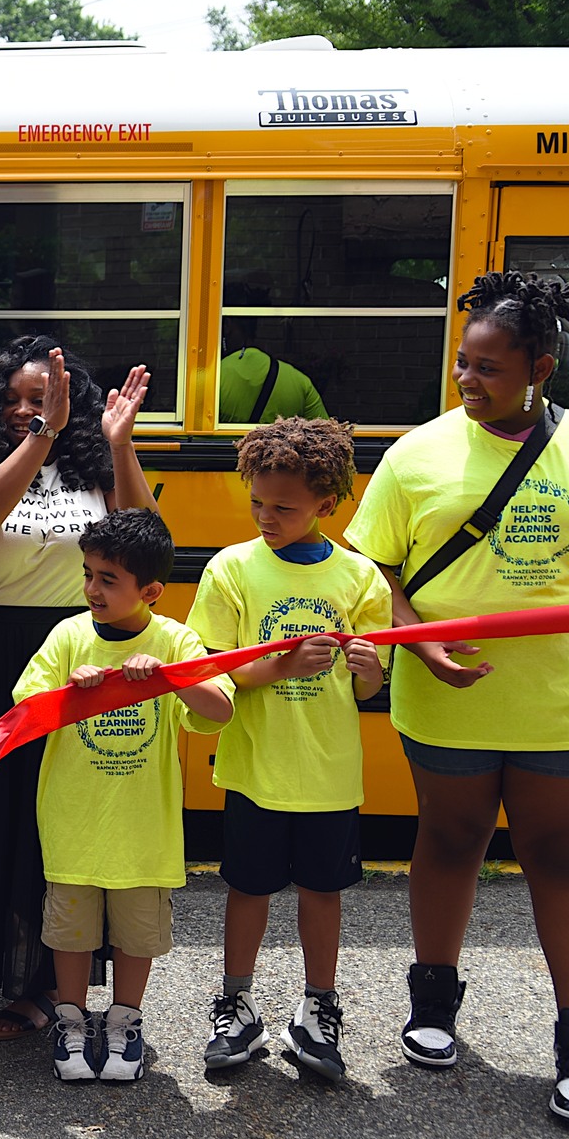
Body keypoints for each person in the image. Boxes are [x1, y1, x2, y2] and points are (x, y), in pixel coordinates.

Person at [347, 272, 569, 1129]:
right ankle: (432, 1004)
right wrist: (416, 636)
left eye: (489, 367)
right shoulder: (417, 455)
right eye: (463, 362)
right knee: (449, 839)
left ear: (541, 369)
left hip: (560, 703)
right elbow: (373, 569)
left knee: (563, 857)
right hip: (445, 697)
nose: (467, 379)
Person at [0, 337, 153, 1045]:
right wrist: (43, 432)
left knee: (57, 819)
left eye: (42, 398)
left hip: (75, 655)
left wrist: (120, 445)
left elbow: (145, 540)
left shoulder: (92, 469)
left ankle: (46, 985)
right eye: (14, 398)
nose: (25, 409)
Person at [186, 418, 390, 1082]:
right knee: (247, 888)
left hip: (328, 770)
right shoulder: (232, 568)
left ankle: (318, 1007)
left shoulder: (360, 578)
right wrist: (281, 666)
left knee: (322, 891)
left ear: (327, 505)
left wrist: (368, 668)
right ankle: (235, 1002)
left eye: (284, 507)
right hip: (256, 767)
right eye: (257, 502)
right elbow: (213, 670)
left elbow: (368, 688)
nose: (266, 517)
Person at [16, 509, 233, 1082]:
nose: (92, 589)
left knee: (137, 935)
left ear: (151, 591)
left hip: (143, 831)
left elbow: (219, 710)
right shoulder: (68, 637)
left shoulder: (176, 641)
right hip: (74, 824)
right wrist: (73, 692)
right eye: (88, 574)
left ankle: (124, 1023)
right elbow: (26, 712)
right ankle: (70, 1021)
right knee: (70, 931)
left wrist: (168, 676)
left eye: (108, 579)